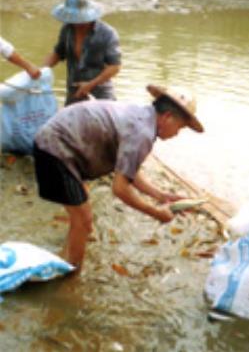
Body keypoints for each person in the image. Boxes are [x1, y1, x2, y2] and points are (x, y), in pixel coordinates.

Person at [33, 84, 204, 269]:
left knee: (84, 222)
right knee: (83, 221)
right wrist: (155, 212)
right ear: (168, 117)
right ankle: (70, 276)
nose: (177, 134)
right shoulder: (143, 133)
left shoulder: (142, 115)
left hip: (62, 146)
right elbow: (120, 188)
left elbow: (128, 169)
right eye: (179, 127)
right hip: (56, 149)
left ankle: (64, 259)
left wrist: (160, 195)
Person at [44, 0, 121, 105]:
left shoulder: (107, 33)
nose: (77, 24)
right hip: (74, 92)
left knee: (104, 121)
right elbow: (58, 53)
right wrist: (42, 70)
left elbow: (115, 66)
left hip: (101, 93)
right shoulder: (67, 29)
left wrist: (90, 85)